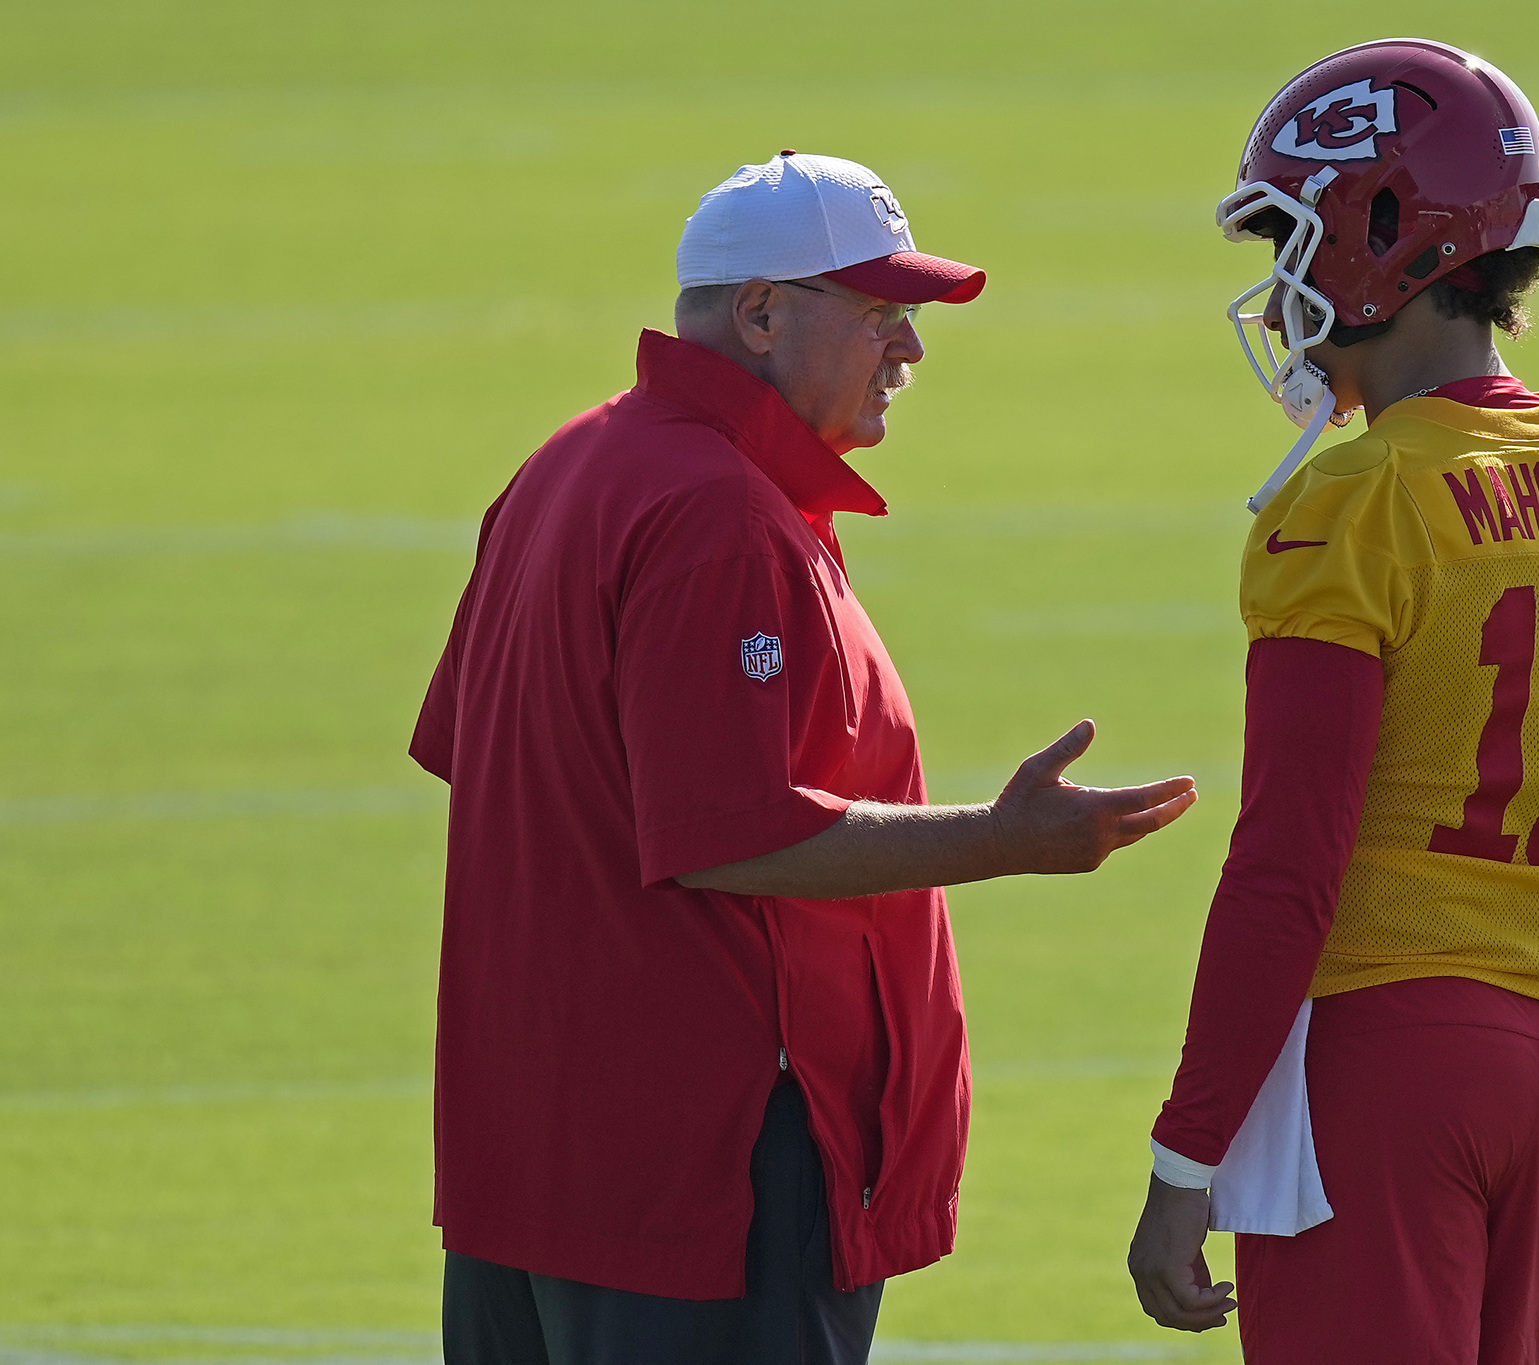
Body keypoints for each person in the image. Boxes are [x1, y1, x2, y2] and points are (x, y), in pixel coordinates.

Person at [411, 151, 1198, 1365]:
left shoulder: (567, 465)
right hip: (701, 1180)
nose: (911, 348)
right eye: (879, 311)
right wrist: (1002, 840)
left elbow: (484, 757)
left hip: (539, 1161)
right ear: (761, 314)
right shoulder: (716, 513)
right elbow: (732, 836)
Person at [1124, 41, 1539, 1362]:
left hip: (1386, 1064)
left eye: (1287, 237)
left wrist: (1186, 1148)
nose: (1274, 289)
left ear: (1380, 230)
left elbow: (1288, 862)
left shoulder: (1357, 500)